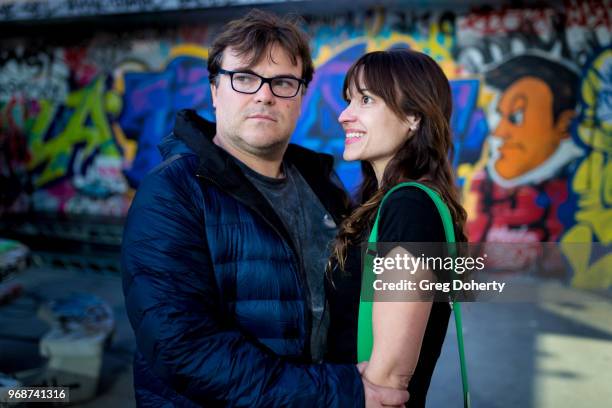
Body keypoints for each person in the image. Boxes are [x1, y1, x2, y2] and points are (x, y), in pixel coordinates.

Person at [121, 9, 408, 407]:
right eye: (244, 78)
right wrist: (336, 392)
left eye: (283, 82)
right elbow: (182, 347)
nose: (264, 93)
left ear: (301, 96)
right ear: (214, 91)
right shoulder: (172, 192)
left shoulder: (322, 183)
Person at [326, 49, 468, 407]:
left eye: (366, 100)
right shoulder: (390, 205)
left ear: (413, 116)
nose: (345, 115)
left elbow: (388, 379)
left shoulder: (409, 208)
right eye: (348, 101)